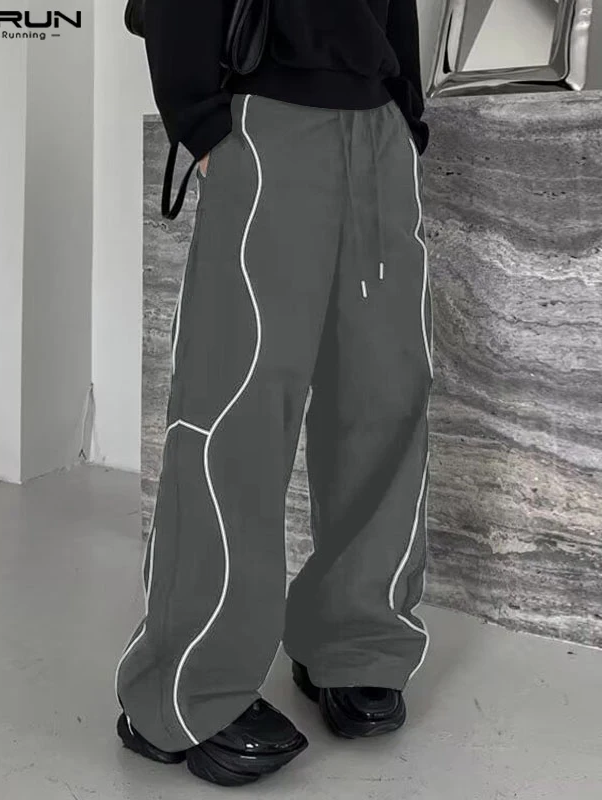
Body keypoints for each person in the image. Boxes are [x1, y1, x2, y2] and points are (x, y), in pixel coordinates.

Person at [115, 0, 433, 787]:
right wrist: (201, 119)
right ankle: (183, 690)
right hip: (266, 121)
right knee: (235, 410)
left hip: (377, 128)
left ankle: (353, 642)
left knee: (384, 398)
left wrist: (405, 111)